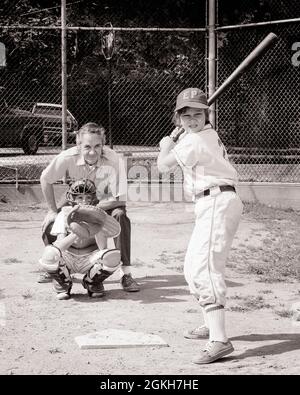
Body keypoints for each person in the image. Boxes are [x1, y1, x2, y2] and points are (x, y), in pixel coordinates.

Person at [157, 88, 243, 364]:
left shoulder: (194, 141)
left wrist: (165, 146)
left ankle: (219, 340)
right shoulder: (202, 136)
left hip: (217, 200)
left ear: (207, 114)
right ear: (178, 118)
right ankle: (210, 321)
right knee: (192, 266)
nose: (192, 119)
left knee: (205, 269)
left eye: (198, 114)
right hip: (213, 201)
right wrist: (177, 139)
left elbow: (163, 167)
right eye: (186, 115)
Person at [39, 122, 140, 293]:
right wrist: (52, 210)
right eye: (87, 146)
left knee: (120, 215)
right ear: (78, 146)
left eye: (97, 146)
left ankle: (126, 273)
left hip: (104, 202)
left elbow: (120, 199)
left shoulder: (114, 159)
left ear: (103, 145)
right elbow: (45, 179)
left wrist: (90, 211)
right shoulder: (67, 157)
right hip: (76, 200)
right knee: (52, 222)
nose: (92, 151)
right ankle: (57, 268)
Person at [39, 179, 122, 300]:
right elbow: (59, 246)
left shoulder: (99, 215)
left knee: (112, 256)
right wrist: (77, 232)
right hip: (69, 259)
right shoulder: (64, 214)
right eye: (79, 197)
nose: (84, 201)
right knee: (50, 253)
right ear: (72, 198)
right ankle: (64, 284)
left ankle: (92, 282)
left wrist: (96, 225)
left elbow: (102, 248)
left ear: (93, 198)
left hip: (89, 259)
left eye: (88, 197)